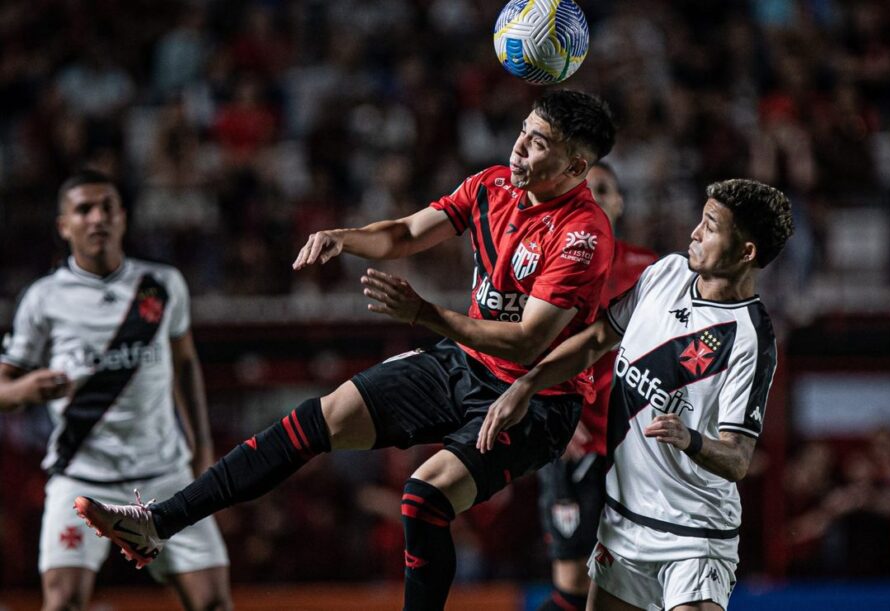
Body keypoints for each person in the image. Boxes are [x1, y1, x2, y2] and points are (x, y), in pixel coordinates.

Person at [75, 89, 617, 611]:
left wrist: (424, 314)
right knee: (318, 419)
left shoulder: (582, 234)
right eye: (524, 131)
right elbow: (405, 232)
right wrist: (345, 236)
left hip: (538, 399)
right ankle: (156, 524)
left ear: (574, 167)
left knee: (423, 498)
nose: (520, 146)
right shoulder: (490, 186)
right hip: (467, 363)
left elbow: (528, 340)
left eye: (539, 141)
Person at [479, 179, 794, 611]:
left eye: (710, 225)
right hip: (624, 524)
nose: (694, 233)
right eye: (700, 219)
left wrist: (691, 440)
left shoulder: (748, 340)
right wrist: (528, 383)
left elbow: (738, 459)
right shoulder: (665, 274)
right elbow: (595, 341)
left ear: (746, 252)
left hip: (694, 536)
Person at [0, 169, 231, 611]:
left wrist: (201, 447)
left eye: (107, 207)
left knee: (213, 604)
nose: (97, 217)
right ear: (64, 225)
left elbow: (185, 364)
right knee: (63, 602)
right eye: (83, 209)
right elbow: (3, 387)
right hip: (82, 477)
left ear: (123, 218)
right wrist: (27, 387)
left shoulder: (162, 285)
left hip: (165, 474)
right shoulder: (43, 298)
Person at [536, 162, 657, 611]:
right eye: (584, 192)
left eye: (603, 190)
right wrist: (551, 417)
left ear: (620, 202)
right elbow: (517, 351)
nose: (594, 198)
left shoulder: (653, 272)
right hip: (574, 443)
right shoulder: (549, 268)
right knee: (571, 588)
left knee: (628, 589)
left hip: (634, 450)